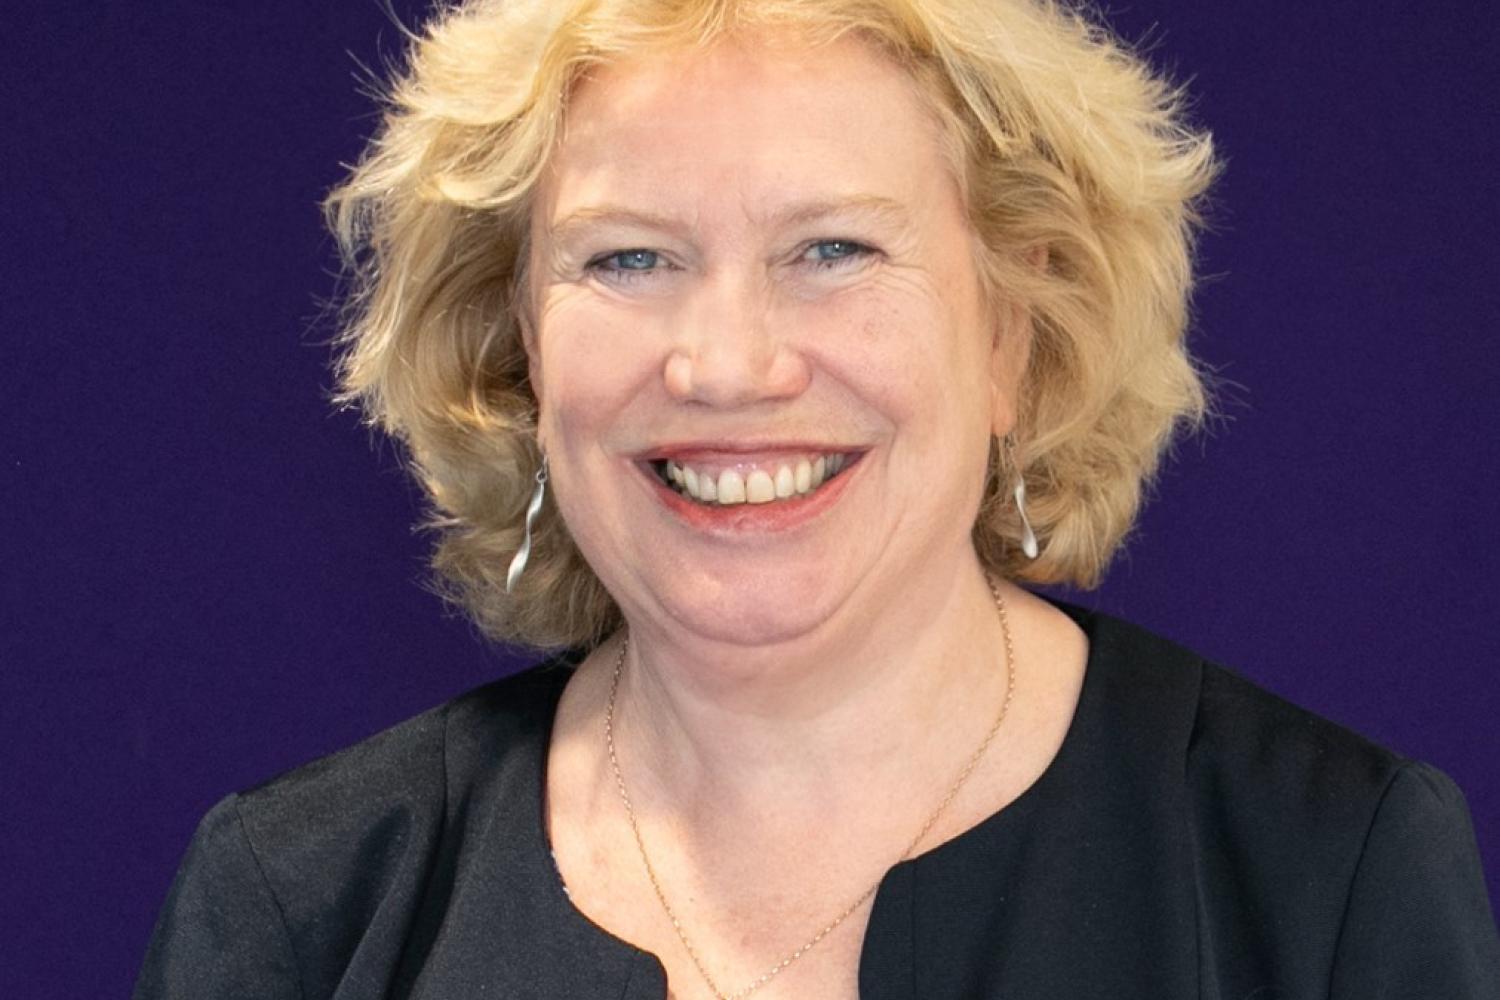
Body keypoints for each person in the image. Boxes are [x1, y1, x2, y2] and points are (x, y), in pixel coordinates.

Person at [133, 0, 1500, 997]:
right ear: (520, 349)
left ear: (1013, 334)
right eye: (628, 259)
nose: (728, 365)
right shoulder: (306, 912)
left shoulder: (1323, 880)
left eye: (832, 248)